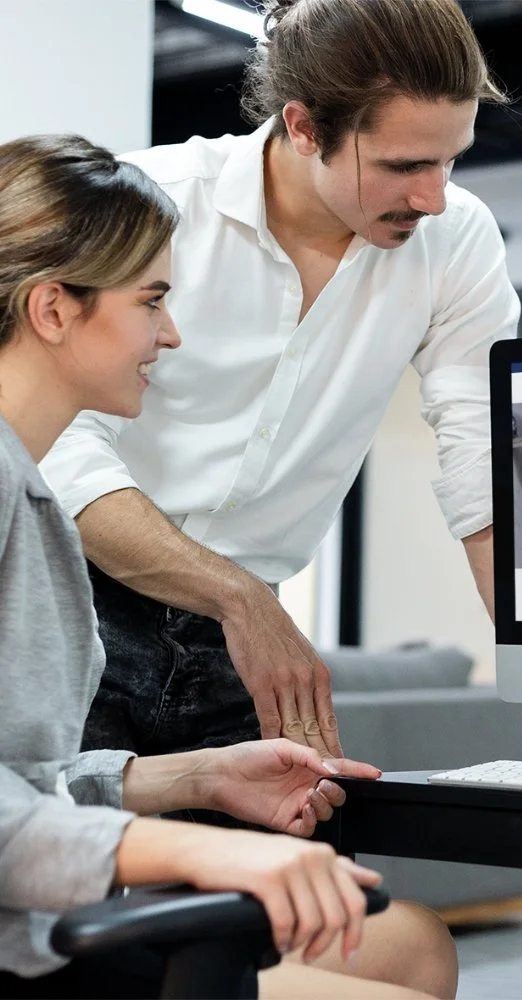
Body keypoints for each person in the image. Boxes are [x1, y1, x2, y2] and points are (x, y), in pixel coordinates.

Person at [39, 0, 522, 778]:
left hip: (238, 639)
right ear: (303, 127)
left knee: (300, 857)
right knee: (54, 846)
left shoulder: (455, 243)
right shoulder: (153, 204)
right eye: (402, 166)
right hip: (69, 601)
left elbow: (485, 479)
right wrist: (238, 598)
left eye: (449, 161)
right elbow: (56, 443)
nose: (433, 198)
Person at [0, 134, 455, 1000]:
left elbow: (25, 787)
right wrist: (199, 849)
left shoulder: (33, 495)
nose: (170, 335)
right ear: (53, 309)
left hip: (36, 925)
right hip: (24, 954)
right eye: (151, 302)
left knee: (411, 947)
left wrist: (203, 778)